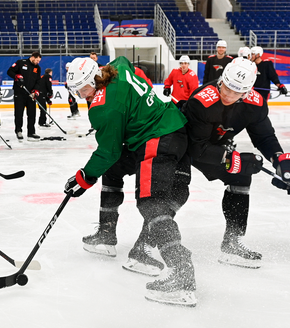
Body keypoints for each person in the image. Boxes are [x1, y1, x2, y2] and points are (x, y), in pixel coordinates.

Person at [64, 56, 196, 306]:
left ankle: (182, 273)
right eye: (77, 91)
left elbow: (108, 151)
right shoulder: (117, 67)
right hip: (175, 129)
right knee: (115, 170)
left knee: (150, 202)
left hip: (157, 139)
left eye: (84, 89)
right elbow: (132, 67)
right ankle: (107, 235)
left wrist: (84, 178)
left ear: (95, 79)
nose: (82, 96)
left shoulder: (104, 108)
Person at [181, 57, 290, 269]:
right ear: (221, 79)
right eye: (225, 87)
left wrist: (279, 159)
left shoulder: (255, 104)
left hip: (213, 146)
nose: (227, 95)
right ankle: (149, 239)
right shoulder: (202, 100)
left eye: (236, 92)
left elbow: (264, 137)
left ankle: (232, 243)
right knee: (173, 190)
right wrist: (231, 158)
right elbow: (195, 147)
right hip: (182, 146)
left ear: (247, 92)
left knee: (241, 175)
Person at [7, 51, 42, 141]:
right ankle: (18, 131)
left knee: (32, 114)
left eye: (39, 61)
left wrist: (36, 91)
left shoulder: (37, 68)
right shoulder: (21, 63)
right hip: (19, 93)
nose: (38, 62)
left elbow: (38, 81)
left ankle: (31, 132)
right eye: (37, 60)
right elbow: (9, 71)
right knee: (19, 113)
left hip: (31, 95)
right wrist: (16, 76)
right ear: (33, 57)